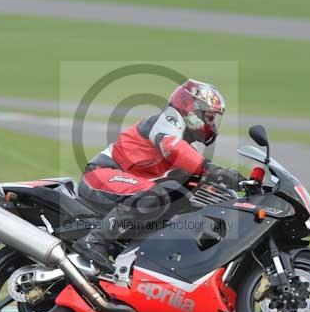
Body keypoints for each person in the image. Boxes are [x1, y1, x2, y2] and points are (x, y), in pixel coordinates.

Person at [73, 79, 243, 271]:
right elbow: (173, 148)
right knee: (156, 194)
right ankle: (94, 241)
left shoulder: (187, 145)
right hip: (100, 175)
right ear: (190, 110)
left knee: (182, 194)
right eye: (209, 117)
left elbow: (195, 179)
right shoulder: (167, 121)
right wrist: (214, 170)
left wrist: (237, 189)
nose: (212, 124)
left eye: (214, 119)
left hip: (125, 185)